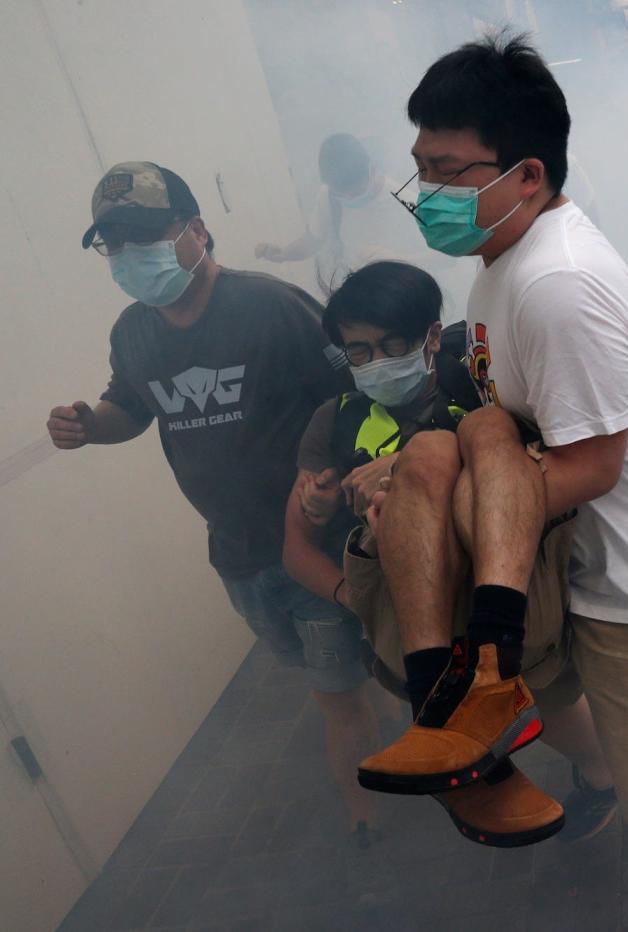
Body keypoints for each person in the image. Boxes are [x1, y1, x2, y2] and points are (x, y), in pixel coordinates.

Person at [357, 36, 628, 931]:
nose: (426, 194)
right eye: (419, 168)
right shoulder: (501, 261)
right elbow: (519, 425)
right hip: (561, 559)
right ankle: (547, 751)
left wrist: (441, 509)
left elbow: (597, 464)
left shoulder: (557, 283)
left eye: (447, 171)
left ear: (526, 174)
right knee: (553, 701)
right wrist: (408, 470)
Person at [47, 161, 385, 847]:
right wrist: (89, 424)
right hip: (235, 555)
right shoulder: (133, 333)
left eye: (146, 235)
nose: (129, 257)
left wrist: (341, 471)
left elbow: (353, 394)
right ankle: (373, 692)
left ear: (197, 231)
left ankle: (366, 819)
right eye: (114, 245)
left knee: (334, 693)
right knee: (319, 671)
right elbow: (130, 407)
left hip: (314, 544)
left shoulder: (270, 306)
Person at [286, 259, 567, 847]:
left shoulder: (481, 385)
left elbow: (549, 455)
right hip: (412, 612)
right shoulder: (335, 422)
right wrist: (346, 584)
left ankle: (485, 688)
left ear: (433, 338)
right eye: (358, 352)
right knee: (437, 450)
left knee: (475, 433)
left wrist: (404, 460)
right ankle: (444, 712)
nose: (375, 363)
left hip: (506, 589)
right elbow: (296, 544)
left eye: (391, 345)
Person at [254, 132, 475, 308]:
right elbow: (314, 238)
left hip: (407, 297)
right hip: (364, 300)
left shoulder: (405, 201)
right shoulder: (329, 197)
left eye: (355, 191)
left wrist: (399, 259)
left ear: (371, 169)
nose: (349, 198)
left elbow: (448, 256)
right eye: (342, 193)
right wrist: (283, 254)